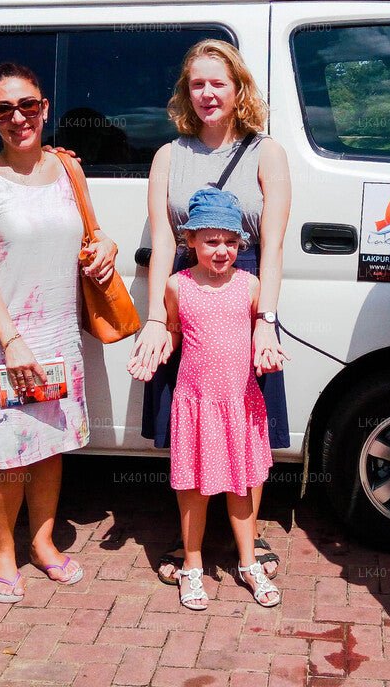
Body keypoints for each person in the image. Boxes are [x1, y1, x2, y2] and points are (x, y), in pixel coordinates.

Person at [126, 39, 291, 585]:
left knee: (248, 428)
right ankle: (193, 545)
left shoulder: (267, 151)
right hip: (187, 311)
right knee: (191, 429)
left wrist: (264, 319)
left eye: (218, 82)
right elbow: (163, 243)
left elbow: (271, 245)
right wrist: (155, 320)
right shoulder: (168, 156)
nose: (207, 93)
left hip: (246, 313)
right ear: (185, 91)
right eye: (197, 83)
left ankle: (247, 539)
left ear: (238, 86)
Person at [0, 63, 118, 602]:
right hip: (5, 342)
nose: (18, 117)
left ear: (45, 108)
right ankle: (3, 552)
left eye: (28, 105)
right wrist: (10, 340)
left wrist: (108, 249)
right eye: (4, 109)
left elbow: (92, 235)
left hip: (56, 337)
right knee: (7, 453)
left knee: (49, 447)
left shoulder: (68, 170)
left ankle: (43, 543)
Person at [135, 188, 281, 611]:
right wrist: (164, 341)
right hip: (196, 404)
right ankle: (193, 565)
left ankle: (248, 561)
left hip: (239, 403)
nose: (221, 251)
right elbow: (176, 330)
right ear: (191, 241)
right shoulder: (176, 286)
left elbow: (260, 331)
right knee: (194, 489)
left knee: (241, 485)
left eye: (231, 242)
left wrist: (265, 347)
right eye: (212, 241)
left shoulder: (251, 286)